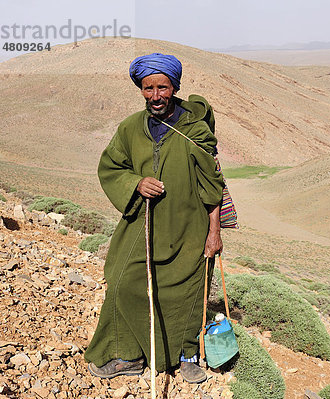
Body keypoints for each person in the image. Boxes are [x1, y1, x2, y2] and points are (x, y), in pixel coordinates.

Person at [84, 53, 225, 384]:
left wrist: (214, 233)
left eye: (163, 87)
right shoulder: (130, 128)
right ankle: (127, 354)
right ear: (141, 88)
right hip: (143, 225)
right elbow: (111, 167)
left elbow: (214, 187)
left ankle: (187, 356)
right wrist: (136, 183)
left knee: (188, 292)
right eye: (148, 88)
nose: (156, 95)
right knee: (121, 283)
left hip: (190, 228)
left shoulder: (195, 130)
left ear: (174, 87)